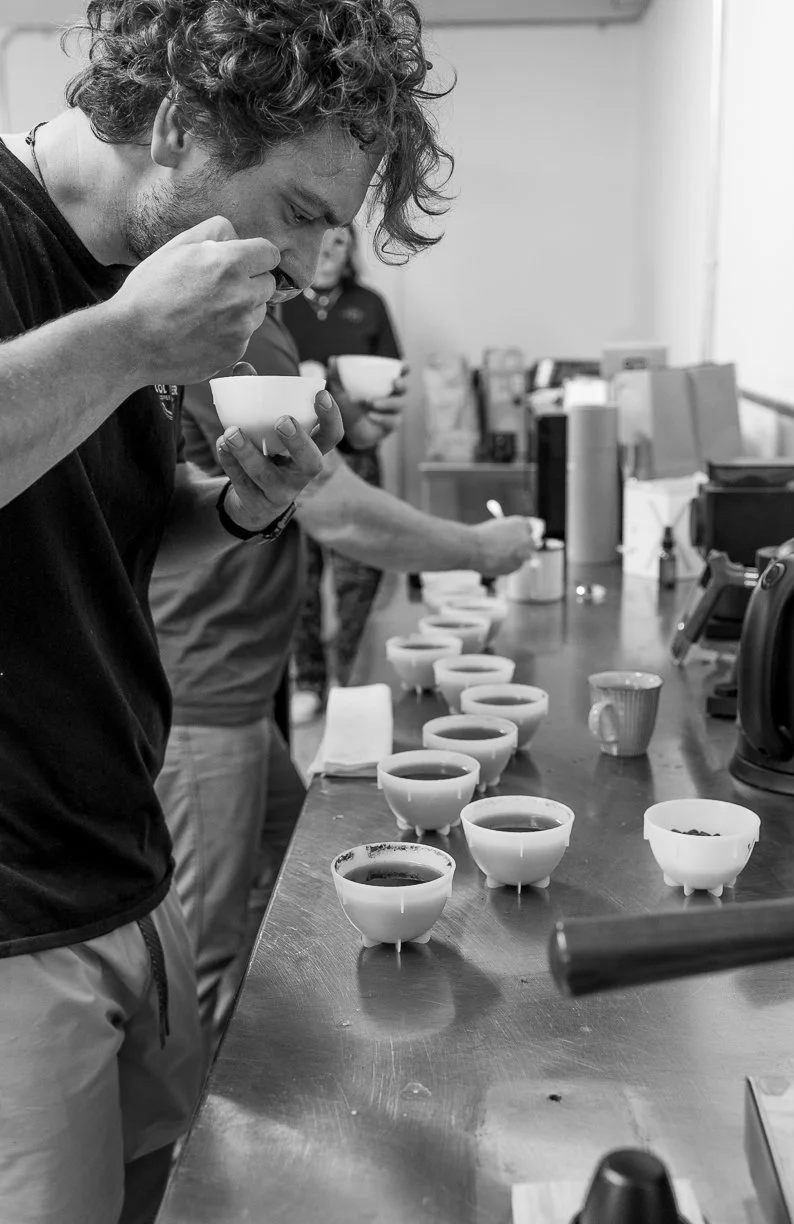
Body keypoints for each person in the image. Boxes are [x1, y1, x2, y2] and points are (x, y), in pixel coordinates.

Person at [0, 1, 452, 1221]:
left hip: (120, 867)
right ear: (175, 119)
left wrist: (242, 505)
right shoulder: (69, 277)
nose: (312, 272)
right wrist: (133, 341)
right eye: (303, 214)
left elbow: (103, 533)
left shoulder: (128, 291)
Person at [150, 308, 536, 1058]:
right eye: (307, 214)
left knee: (284, 887)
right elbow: (332, 509)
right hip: (206, 681)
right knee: (204, 945)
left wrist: (345, 427)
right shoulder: (233, 323)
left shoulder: (265, 323)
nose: (319, 249)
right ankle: (187, 1148)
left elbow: (286, 470)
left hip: (238, 680)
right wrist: (476, 548)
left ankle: (259, 1078)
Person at [282, 224, 404, 724]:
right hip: (295, 458)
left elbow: (392, 376)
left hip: (356, 455)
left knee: (360, 570)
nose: (329, 252)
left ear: (350, 250)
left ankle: (348, 677)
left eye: (339, 243)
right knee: (301, 574)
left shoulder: (369, 303)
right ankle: (308, 679)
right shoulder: (280, 301)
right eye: (323, 239)